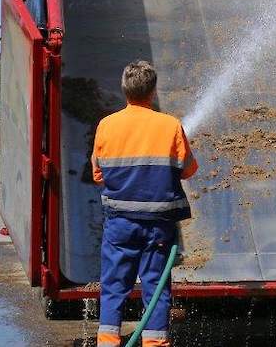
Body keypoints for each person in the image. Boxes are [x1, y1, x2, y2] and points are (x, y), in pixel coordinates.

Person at [92, 60, 198, 347]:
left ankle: (108, 342)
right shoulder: (171, 126)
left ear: (125, 90)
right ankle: (155, 344)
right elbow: (189, 169)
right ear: (152, 91)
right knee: (156, 286)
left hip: (120, 224)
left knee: (114, 286)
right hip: (159, 227)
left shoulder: (107, 126)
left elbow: (98, 173)